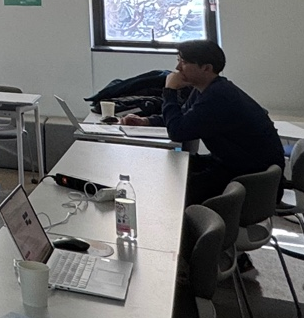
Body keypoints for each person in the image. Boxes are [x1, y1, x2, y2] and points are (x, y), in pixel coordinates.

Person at [120, 39, 284, 204]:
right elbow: (183, 116)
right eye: (178, 61)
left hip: (250, 178)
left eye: (184, 62)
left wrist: (169, 91)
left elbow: (178, 132)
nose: (178, 68)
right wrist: (146, 121)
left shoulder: (218, 96)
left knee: (170, 188)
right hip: (233, 163)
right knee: (164, 164)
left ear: (206, 68)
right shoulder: (208, 89)